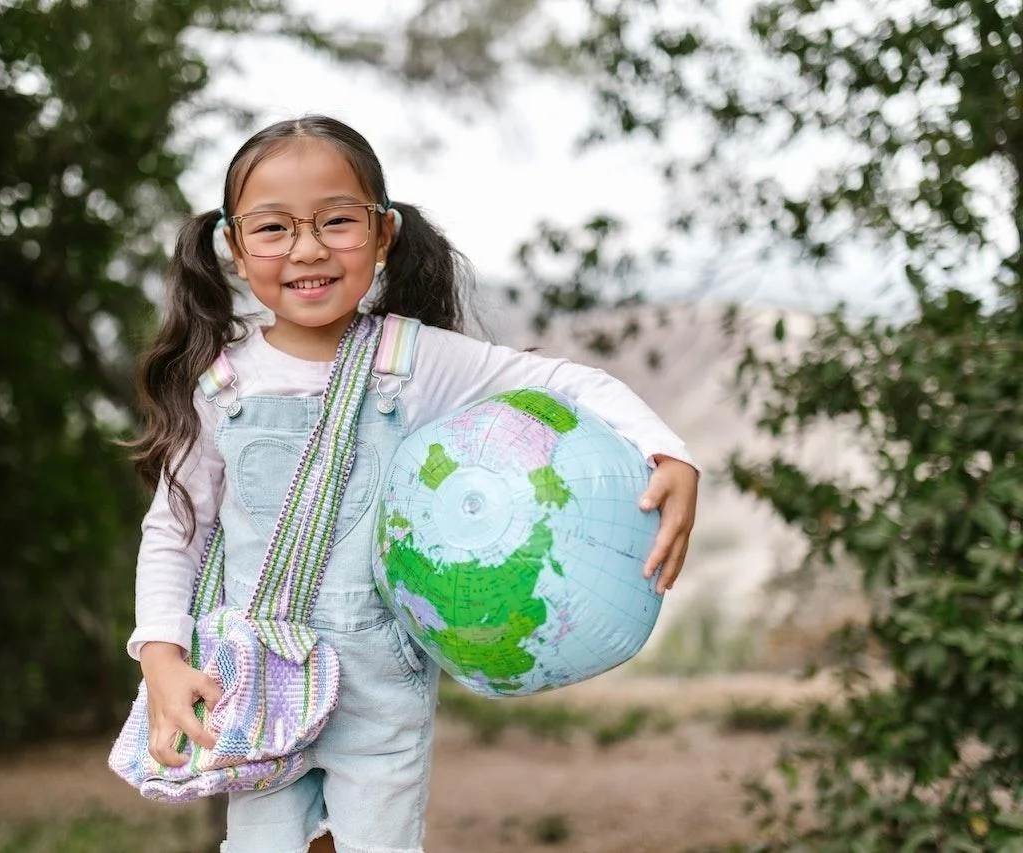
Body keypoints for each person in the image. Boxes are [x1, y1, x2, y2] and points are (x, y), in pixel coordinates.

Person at [125, 115, 699, 853]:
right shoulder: (221, 381)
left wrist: (667, 450)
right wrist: (161, 656)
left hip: (380, 691)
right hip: (254, 685)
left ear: (384, 232)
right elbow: (175, 526)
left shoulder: (411, 358)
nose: (307, 248)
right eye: (273, 228)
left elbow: (564, 381)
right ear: (234, 248)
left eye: (337, 221)